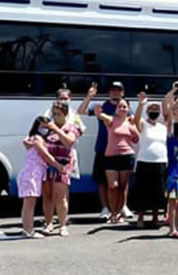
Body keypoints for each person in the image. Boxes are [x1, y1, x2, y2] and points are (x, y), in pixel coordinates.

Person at [77, 81, 125, 220]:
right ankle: (105, 208)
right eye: (113, 90)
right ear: (109, 92)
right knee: (102, 181)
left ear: (122, 92)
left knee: (121, 182)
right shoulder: (102, 106)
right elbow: (81, 111)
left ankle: (122, 207)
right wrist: (89, 96)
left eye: (118, 90)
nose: (115, 92)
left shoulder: (124, 106)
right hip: (102, 147)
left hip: (120, 149)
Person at [17, 116, 65, 238]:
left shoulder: (37, 139)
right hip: (31, 174)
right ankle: (29, 230)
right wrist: (58, 165)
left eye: (46, 126)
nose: (45, 129)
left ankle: (27, 228)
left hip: (34, 174)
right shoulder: (37, 139)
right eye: (42, 126)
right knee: (29, 203)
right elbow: (45, 155)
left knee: (28, 203)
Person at [95, 98, 140, 224]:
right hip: (111, 157)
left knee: (122, 187)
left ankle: (119, 214)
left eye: (125, 107)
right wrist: (98, 112)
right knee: (113, 186)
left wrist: (133, 126)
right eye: (120, 106)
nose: (122, 108)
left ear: (128, 109)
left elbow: (136, 139)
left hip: (127, 156)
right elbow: (100, 115)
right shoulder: (111, 120)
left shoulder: (131, 123)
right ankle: (112, 213)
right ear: (116, 109)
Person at [41, 103, 81, 237]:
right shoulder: (47, 128)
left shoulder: (71, 128)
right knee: (47, 195)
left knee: (60, 196)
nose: (56, 117)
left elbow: (69, 142)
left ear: (65, 114)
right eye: (54, 114)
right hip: (47, 164)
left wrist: (57, 130)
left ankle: (63, 225)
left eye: (59, 114)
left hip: (62, 164)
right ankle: (48, 223)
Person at [130, 94, 168, 229]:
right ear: (147, 112)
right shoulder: (143, 125)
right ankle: (140, 218)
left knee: (158, 192)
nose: (154, 112)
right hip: (144, 162)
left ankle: (156, 217)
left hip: (161, 163)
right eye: (151, 109)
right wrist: (141, 104)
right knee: (142, 191)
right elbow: (135, 120)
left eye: (156, 110)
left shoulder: (163, 127)